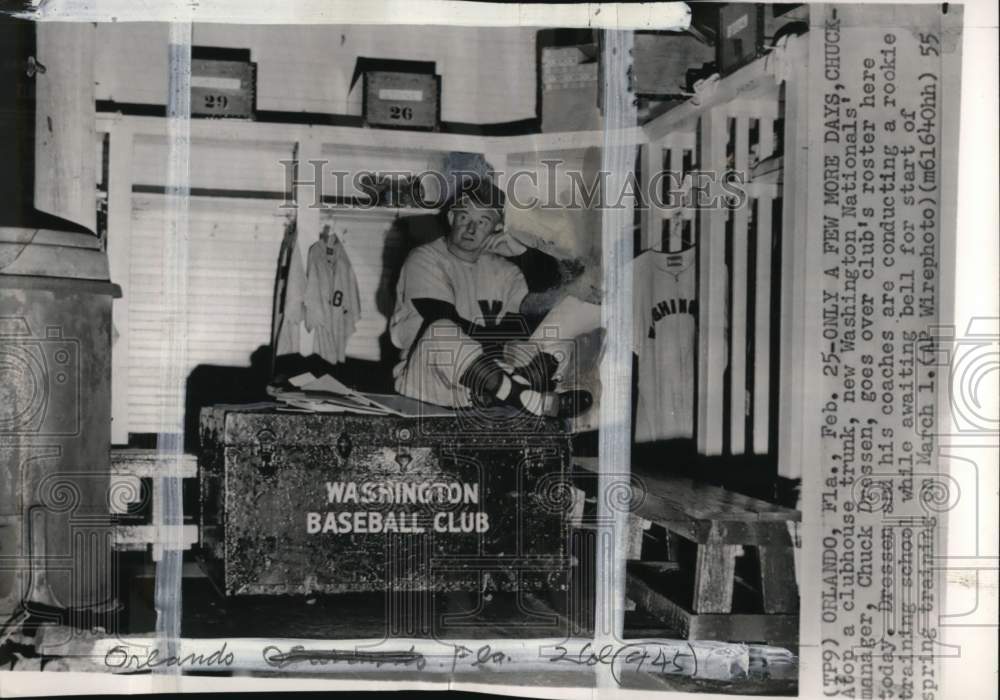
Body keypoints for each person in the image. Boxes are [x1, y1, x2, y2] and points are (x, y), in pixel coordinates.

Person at [389, 177, 592, 417]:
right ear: (451, 218)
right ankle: (525, 395)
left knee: (554, 336)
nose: (471, 229)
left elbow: (536, 312)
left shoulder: (505, 270)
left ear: (497, 228)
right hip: (432, 379)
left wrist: (524, 253)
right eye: (464, 218)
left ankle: (513, 393)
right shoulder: (424, 257)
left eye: (483, 221)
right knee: (441, 331)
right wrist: (506, 348)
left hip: (488, 381)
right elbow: (444, 318)